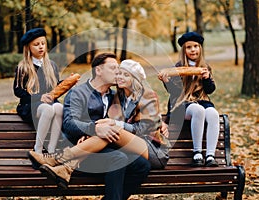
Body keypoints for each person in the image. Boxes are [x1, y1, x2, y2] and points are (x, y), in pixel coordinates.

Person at [29, 57, 170, 199]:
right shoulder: (115, 96)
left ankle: (60, 160)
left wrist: (159, 123)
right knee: (140, 165)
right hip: (110, 146)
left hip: (151, 147)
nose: (118, 75)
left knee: (112, 134)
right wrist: (92, 132)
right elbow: (71, 124)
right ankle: (66, 167)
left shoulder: (144, 95)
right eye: (116, 70)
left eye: (124, 74)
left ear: (135, 79)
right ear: (98, 70)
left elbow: (140, 126)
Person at [157, 31, 219, 167]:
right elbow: (174, 92)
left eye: (196, 46)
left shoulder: (205, 67)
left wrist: (207, 78)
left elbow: (210, 90)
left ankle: (210, 155)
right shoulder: (178, 67)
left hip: (202, 100)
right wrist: (167, 81)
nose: (193, 50)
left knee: (213, 113)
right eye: (189, 47)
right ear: (184, 50)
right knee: (198, 110)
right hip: (181, 104)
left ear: (200, 48)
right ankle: (197, 153)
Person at [13, 28, 63, 154]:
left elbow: (55, 87)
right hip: (30, 105)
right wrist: (39, 97)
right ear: (28, 48)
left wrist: (67, 83)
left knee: (59, 108)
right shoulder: (23, 67)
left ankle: (51, 150)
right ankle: (38, 150)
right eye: (36, 44)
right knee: (47, 109)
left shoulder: (51, 65)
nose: (41, 47)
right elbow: (18, 91)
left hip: (50, 103)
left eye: (43, 43)